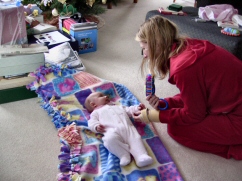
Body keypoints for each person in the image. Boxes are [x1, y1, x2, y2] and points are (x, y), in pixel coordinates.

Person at [134, 15, 242, 160]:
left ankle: (234, 150)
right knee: (176, 116)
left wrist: (154, 116)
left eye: (144, 49)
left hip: (237, 118)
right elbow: (196, 94)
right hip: (232, 103)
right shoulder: (187, 46)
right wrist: (166, 103)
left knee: (175, 129)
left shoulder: (183, 69)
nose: (145, 55)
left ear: (156, 45)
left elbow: (194, 114)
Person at [84, 92, 153, 167]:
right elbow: (91, 123)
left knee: (135, 139)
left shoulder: (117, 106)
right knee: (109, 140)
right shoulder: (95, 113)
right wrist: (96, 126)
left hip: (128, 129)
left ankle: (141, 156)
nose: (106, 96)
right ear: (93, 104)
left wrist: (137, 108)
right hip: (111, 132)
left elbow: (128, 110)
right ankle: (123, 154)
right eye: (101, 96)